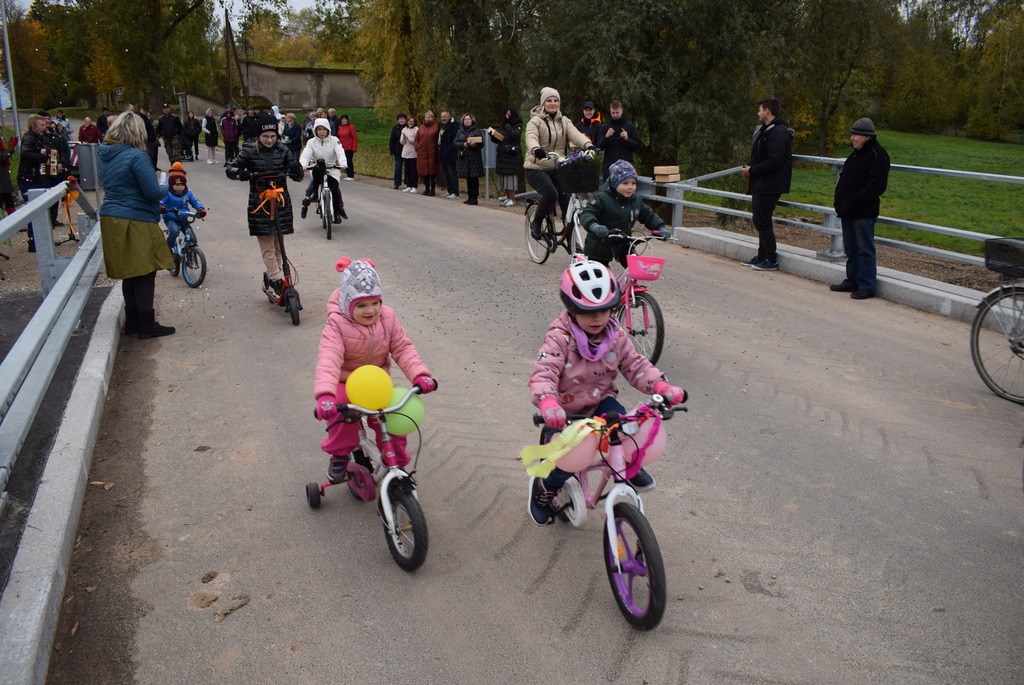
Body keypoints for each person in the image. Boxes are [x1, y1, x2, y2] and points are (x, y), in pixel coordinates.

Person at [526, 260, 686, 525]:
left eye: (604, 311)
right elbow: (544, 372)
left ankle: (627, 464)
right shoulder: (560, 337)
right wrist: (548, 402)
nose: (598, 319)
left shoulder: (615, 335)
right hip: (567, 411)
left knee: (625, 426)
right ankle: (545, 489)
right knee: (568, 461)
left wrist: (661, 386)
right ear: (571, 309)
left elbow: (636, 365)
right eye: (588, 312)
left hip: (601, 400)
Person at [312, 257, 437, 483]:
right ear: (347, 304)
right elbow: (329, 358)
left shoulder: (387, 317)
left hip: (376, 383)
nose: (370, 311)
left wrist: (420, 374)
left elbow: (402, 347)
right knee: (341, 413)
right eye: (361, 306)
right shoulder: (337, 324)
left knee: (394, 415)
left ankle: (397, 462)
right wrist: (325, 395)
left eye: (375, 303)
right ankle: (339, 455)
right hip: (345, 381)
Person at [97, 112, 176, 338]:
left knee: (129, 273)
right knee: (145, 271)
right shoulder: (137, 156)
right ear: (137, 132)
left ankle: (132, 322)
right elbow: (152, 193)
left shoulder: (105, 154)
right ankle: (146, 325)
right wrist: (166, 186)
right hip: (135, 218)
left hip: (112, 217)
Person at [224, 113, 304, 295]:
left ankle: (276, 276)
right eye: (265, 136)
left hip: (281, 204)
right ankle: (276, 279)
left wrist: (296, 170)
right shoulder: (249, 151)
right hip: (260, 205)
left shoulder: (283, 150)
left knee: (279, 246)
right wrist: (241, 173)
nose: (269, 140)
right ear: (258, 136)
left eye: (273, 136)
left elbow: (297, 175)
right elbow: (230, 168)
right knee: (268, 246)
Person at [829, 118, 890, 300]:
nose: (852, 138)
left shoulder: (877, 155)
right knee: (851, 249)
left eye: (856, 134)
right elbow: (844, 179)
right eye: (853, 134)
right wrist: (840, 202)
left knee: (865, 249)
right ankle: (852, 280)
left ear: (867, 136)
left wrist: (855, 201)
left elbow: (877, 185)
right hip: (847, 211)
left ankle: (866, 285)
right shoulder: (855, 155)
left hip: (863, 212)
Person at [524, 87, 597, 239]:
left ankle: (571, 241)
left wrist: (588, 145)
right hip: (536, 167)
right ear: (543, 103)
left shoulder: (564, 121)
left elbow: (576, 135)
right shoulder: (535, 121)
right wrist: (536, 149)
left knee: (568, 201)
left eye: (555, 100)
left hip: (557, 167)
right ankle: (536, 222)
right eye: (549, 100)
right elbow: (530, 137)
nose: (553, 103)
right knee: (551, 194)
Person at [578, 160, 671, 267]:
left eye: (633, 183)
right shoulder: (602, 198)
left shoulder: (636, 200)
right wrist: (594, 226)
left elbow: (649, 215)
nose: (630, 187)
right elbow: (587, 213)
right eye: (625, 183)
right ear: (614, 183)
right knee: (599, 272)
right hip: (600, 243)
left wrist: (660, 228)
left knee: (636, 267)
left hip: (624, 243)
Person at [740, 97, 793, 272]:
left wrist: (752, 171)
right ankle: (761, 256)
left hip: (770, 184)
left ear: (767, 111)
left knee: (762, 220)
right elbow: (760, 156)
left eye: (760, 110)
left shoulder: (778, 133)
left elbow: (774, 160)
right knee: (759, 219)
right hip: (761, 183)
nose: (758, 113)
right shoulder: (766, 131)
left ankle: (770, 258)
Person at [17, 113, 67, 252]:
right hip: (29, 178)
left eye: (45, 125)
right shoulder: (30, 138)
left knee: (42, 209)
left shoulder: (39, 138)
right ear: (33, 126)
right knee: (34, 209)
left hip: (37, 177)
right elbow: (25, 153)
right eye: (41, 125)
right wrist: (44, 158)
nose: (45, 127)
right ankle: (34, 242)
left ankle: (42, 240)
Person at [298, 117, 348, 223]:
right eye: (319, 129)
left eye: (324, 129)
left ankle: (337, 212)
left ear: (328, 129)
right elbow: (306, 154)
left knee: (335, 189)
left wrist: (343, 163)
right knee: (312, 184)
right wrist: (303, 165)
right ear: (315, 130)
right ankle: (314, 194)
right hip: (317, 169)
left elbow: (340, 152)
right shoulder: (311, 142)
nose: (322, 132)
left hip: (332, 169)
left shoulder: (334, 140)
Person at [159, 162, 206, 260]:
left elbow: (195, 201)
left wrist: (200, 209)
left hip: (183, 218)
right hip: (171, 217)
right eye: (177, 185)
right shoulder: (167, 193)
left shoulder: (187, 193)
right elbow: (161, 201)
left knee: (192, 238)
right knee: (175, 231)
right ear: (171, 185)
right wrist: (161, 207)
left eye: (182, 184)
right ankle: (168, 249)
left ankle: (190, 254)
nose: (180, 187)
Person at [595, 100, 641, 178]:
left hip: (626, 164)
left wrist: (627, 139)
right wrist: (606, 137)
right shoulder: (605, 127)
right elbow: (598, 147)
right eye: (613, 113)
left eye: (617, 112)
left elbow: (637, 146)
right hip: (609, 165)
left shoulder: (630, 127)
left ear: (621, 110)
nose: (615, 115)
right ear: (610, 111)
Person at [491, 105, 523, 206]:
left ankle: (512, 199)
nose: (507, 116)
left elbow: (514, 135)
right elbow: (500, 137)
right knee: (504, 179)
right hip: (502, 155)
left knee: (510, 180)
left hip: (511, 156)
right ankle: (508, 197)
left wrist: (507, 125)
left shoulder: (518, 124)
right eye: (506, 114)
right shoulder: (504, 124)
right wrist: (493, 135)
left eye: (509, 114)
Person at [454, 113, 484, 205]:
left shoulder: (476, 131)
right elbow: (455, 143)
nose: (466, 121)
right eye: (465, 119)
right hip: (464, 158)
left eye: (468, 119)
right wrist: (463, 144)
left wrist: (474, 145)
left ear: (472, 121)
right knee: (468, 178)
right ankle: (469, 197)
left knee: (474, 179)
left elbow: (481, 144)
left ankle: (474, 198)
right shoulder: (460, 131)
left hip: (474, 158)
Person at [414, 110, 439, 196]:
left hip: (432, 152)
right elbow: (416, 138)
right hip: (422, 152)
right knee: (424, 172)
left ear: (432, 118)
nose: (427, 119)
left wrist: (437, 149)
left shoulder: (436, 127)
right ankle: (426, 189)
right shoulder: (421, 127)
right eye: (426, 117)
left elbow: (439, 139)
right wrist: (417, 147)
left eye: (429, 117)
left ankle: (432, 190)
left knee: (432, 172)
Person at [438, 111, 460, 199]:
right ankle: (449, 190)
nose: (443, 118)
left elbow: (455, 141)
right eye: (442, 117)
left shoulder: (454, 127)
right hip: (443, 154)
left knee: (452, 174)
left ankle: (455, 192)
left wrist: (449, 150)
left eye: (445, 117)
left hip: (451, 154)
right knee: (446, 174)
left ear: (449, 117)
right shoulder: (442, 126)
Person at [400, 115, 418, 193]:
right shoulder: (404, 129)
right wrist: (403, 139)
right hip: (405, 152)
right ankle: (408, 185)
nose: (411, 123)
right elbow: (401, 142)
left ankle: (414, 186)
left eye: (412, 121)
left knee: (413, 170)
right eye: (409, 121)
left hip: (413, 152)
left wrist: (409, 139)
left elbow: (416, 141)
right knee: (407, 170)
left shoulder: (417, 129)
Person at [336, 114, 357, 180]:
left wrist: (354, 147)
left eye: (345, 119)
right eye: (343, 119)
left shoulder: (351, 127)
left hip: (349, 147)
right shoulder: (340, 127)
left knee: (349, 161)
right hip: (342, 147)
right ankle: (347, 174)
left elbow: (355, 137)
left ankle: (350, 175)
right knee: (342, 160)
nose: (344, 121)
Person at [388, 113, 407, 190]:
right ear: (398, 120)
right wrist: (392, 151)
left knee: (407, 168)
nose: (401, 120)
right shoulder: (395, 128)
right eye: (400, 119)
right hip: (398, 151)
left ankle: (407, 183)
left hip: (407, 151)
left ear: (405, 120)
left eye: (403, 119)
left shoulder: (408, 127)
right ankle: (397, 183)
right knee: (398, 167)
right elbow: (391, 140)